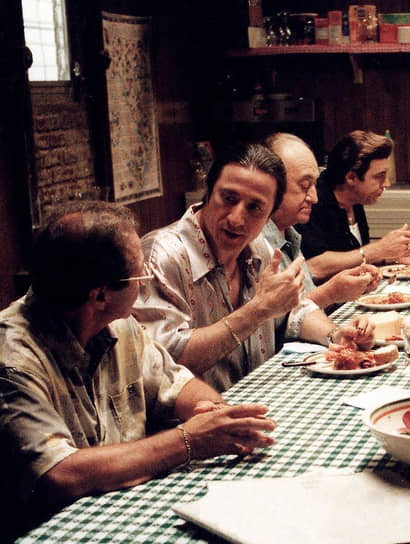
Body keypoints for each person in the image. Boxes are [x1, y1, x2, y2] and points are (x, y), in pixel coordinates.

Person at [0, 202, 276, 539]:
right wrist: (189, 440)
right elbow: (60, 474)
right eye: (139, 273)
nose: (146, 279)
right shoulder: (13, 359)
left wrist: (213, 414)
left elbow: (176, 382)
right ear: (100, 296)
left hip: (123, 510)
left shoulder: (116, 323)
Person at [133, 142, 373, 392]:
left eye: (254, 207)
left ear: (271, 215)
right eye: (228, 199)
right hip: (198, 413)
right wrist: (257, 311)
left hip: (258, 397)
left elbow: (294, 310)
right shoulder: (162, 255)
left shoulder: (257, 246)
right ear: (208, 192)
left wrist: (336, 336)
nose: (236, 219)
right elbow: (163, 363)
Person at [262, 132, 380, 311]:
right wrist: (332, 292)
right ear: (271, 186)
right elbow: (276, 318)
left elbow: (304, 308)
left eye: (314, 185)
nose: (314, 198)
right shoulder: (256, 243)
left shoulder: (290, 233)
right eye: (304, 186)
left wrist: (345, 290)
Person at [296, 130, 410, 281]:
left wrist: (391, 256)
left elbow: (354, 258)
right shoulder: (314, 201)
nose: (387, 184)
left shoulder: (355, 198)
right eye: (380, 176)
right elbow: (314, 267)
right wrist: (379, 249)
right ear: (351, 178)